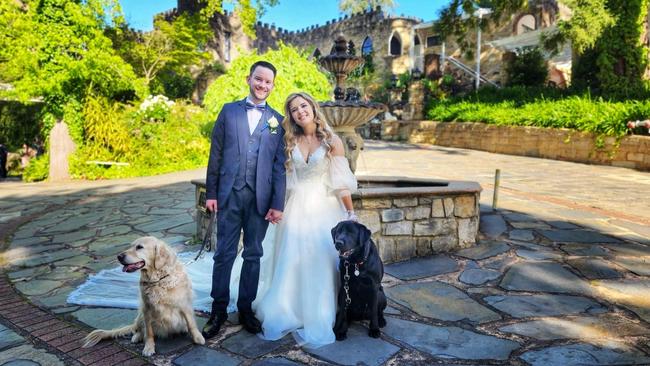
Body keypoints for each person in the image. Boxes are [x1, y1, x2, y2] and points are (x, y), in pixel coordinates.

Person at [254, 92, 358, 348]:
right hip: (296, 208)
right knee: (290, 259)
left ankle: (321, 310)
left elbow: (341, 183)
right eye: (294, 109)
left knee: (322, 260)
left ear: (312, 107)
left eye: (303, 106)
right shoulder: (289, 140)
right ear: (291, 116)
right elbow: (282, 179)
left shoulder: (332, 141)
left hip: (324, 208)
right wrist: (274, 206)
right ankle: (288, 308)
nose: (300, 111)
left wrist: (350, 214)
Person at [201, 60, 287, 339]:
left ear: (273, 86)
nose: (263, 85)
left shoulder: (276, 121)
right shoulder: (229, 112)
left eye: (268, 82)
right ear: (248, 79)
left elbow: (278, 165)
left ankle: (246, 308)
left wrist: (277, 203)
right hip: (229, 195)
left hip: (260, 200)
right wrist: (211, 193)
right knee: (223, 253)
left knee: (253, 253)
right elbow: (216, 155)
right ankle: (218, 310)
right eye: (258, 79)